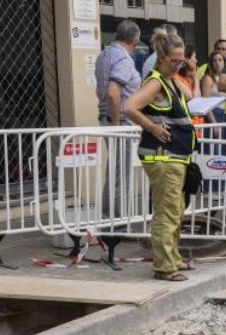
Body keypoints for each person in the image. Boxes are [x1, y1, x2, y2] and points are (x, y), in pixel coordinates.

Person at [124, 29, 197, 282]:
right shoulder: (155, 82)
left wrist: (186, 72)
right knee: (167, 213)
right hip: (163, 157)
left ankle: (173, 258)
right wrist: (153, 127)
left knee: (175, 211)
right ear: (162, 58)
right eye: (175, 60)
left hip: (175, 156)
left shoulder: (169, 80)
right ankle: (165, 267)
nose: (179, 65)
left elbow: (190, 96)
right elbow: (129, 107)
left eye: (182, 60)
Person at [95, 20, 142, 220]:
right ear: (136, 40)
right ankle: (118, 220)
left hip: (108, 118)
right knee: (121, 175)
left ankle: (109, 216)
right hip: (120, 121)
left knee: (114, 171)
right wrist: (117, 126)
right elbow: (113, 93)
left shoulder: (104, 54)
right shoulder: (124, 58)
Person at [201, 51, 226, 123]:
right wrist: (213, 122)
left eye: (220, 60)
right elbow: (205, 102)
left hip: (225, 113)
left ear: (224, 62)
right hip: (214, 113)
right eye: (214, 60)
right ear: (211, 63)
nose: (217, 63)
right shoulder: (208, 78)